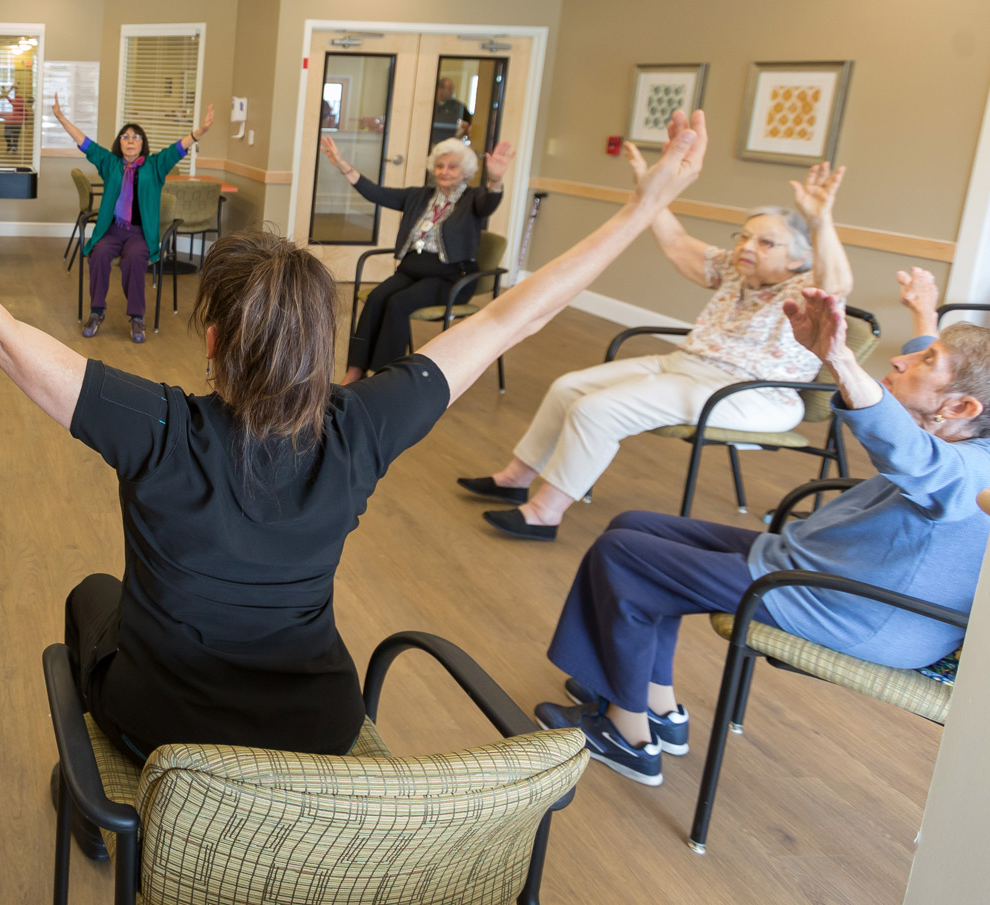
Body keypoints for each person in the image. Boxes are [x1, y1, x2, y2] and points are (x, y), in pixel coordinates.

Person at [0, 106, 711, 847]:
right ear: (322, 345)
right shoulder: (363, 427)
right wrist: (642, 209)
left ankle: (91, 799)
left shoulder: (160, 428)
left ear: (215, 341)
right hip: (320, 725)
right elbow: (511, 319)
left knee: (87, 597)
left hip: (168, 737)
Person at [534, 278, 990, 786]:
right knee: (633, 525)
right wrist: (924, 317)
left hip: (855, 608)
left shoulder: (972, 475)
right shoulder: (967, 423)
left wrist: (838, 358)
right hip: (826, 567)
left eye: (927, 362)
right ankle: (656, 705)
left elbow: (911, 453)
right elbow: (940, 376)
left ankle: (629, 736)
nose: (904, 360)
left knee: (623, 555)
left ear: (961, 409)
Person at [460, 149, 853, 540]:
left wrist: (820, 221)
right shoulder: (736, 270)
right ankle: (515, 479)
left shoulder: (806, 290)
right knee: (569, 387)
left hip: (753, 394)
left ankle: (543, 514)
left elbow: (837, 284)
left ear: (799, 260)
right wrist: (650, 191)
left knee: (597, 411)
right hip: (687, 366)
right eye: (745, 237)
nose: (748, 247)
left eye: (767, 243)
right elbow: (678, 242)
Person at [319, 135, 513, 381]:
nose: (444, 171)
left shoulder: (474, 199)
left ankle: (384, 379)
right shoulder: (421, 195)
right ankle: (355, 370)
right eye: (440, 166)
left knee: (398, 303)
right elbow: (376, 193)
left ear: (465, 171)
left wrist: (495, 180)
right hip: (412, 271)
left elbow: (489, 203)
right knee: (377, 298)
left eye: (452, 166)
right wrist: (342, 165)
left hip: (451, 277)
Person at [51, 95, 215, 343]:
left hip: (140, 233)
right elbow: (84, 142)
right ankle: (96, 312)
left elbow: (178, 148)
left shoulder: (155, 165)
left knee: (134, 261)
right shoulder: (109, 163)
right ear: (119, 143)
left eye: (136, 136)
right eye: (125, 136)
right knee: (98, 255)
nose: (130, 140)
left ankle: (137, 318)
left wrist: (200, 131)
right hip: (112, 230)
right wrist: (61, 118)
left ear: (142, 143)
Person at [429, 77, 471, 147]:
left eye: (452, 89)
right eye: (449, 89)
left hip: (450, 145)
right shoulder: (430, 106)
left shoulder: (458, 106)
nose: (452, 92)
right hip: (431, 143)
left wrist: (464, 131)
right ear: (440, 89)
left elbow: (471, 123)